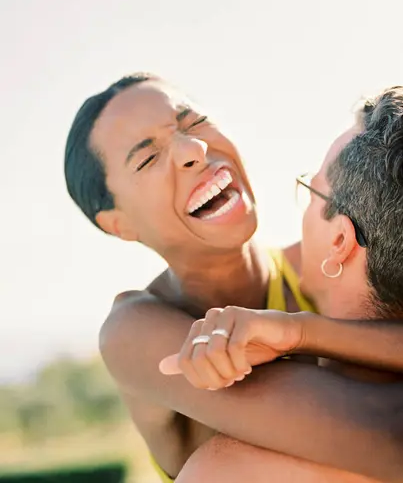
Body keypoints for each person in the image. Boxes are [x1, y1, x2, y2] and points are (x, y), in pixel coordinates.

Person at [64, 74, 403, 482]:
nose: (194, 149)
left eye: (194, 122)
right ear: (118, 224)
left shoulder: (335, 267)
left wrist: (303, 332)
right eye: (147, 158)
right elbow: (387, 435)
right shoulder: (136, 332)